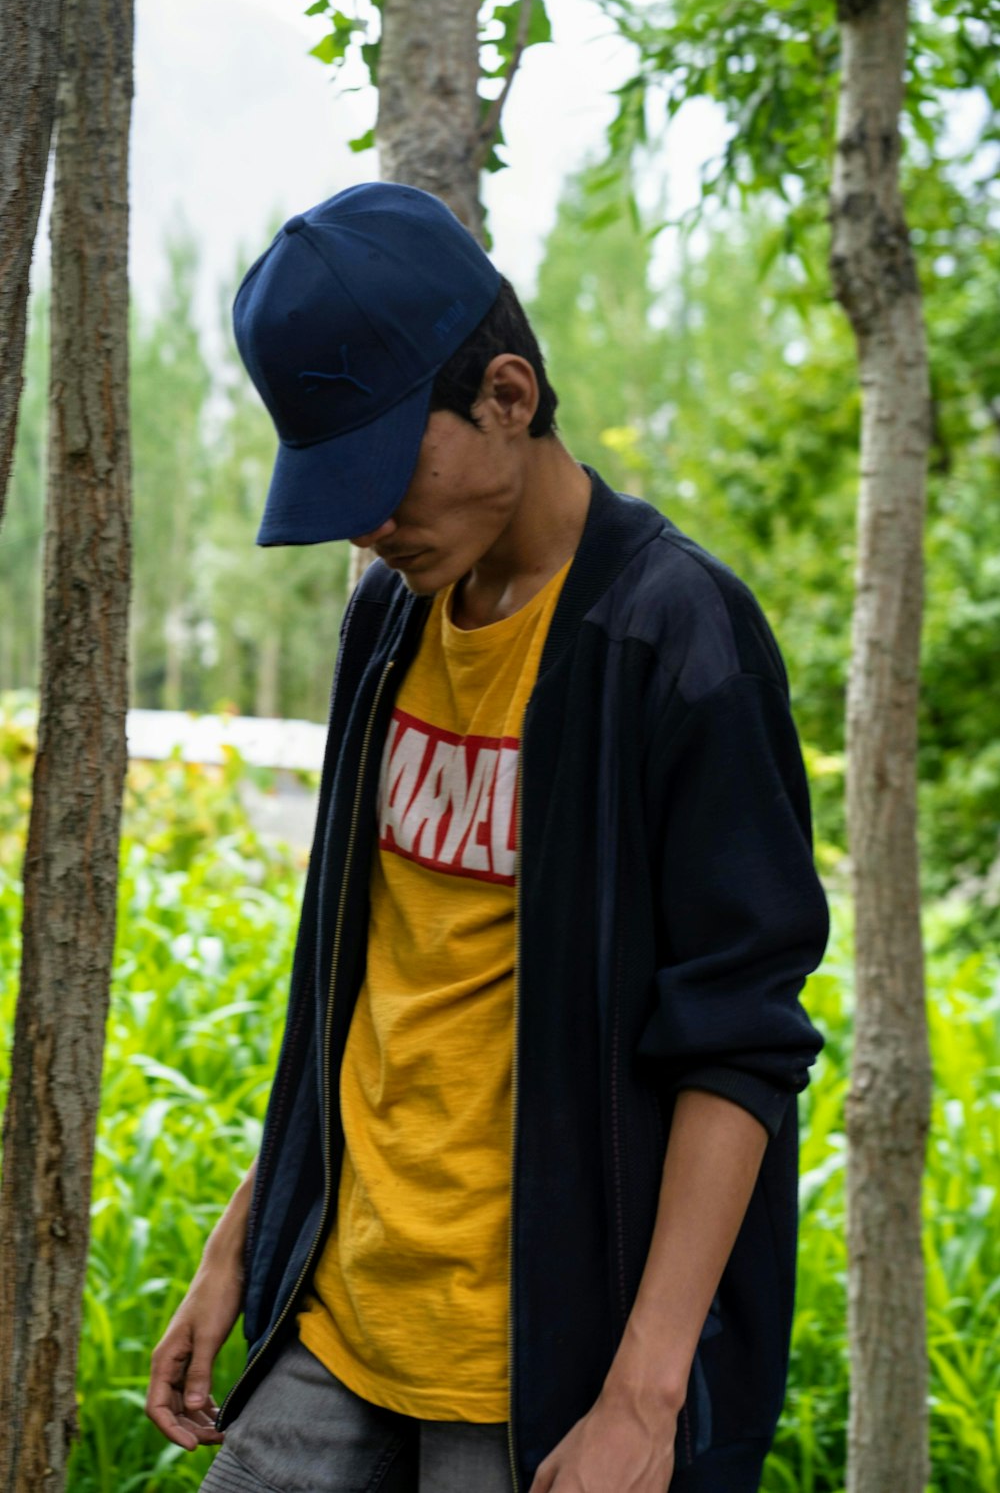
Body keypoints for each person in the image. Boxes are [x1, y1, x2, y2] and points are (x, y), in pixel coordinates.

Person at [145, 182, 828, 1493]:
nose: (367, 522)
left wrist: (644, 1396)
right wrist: (246, 1238)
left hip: (543, 1365)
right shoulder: (390, 620)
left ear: (509, 396)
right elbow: (368, 979)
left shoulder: (673, 638)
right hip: (341, 1316)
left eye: (386, 470)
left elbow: (741, 1044)